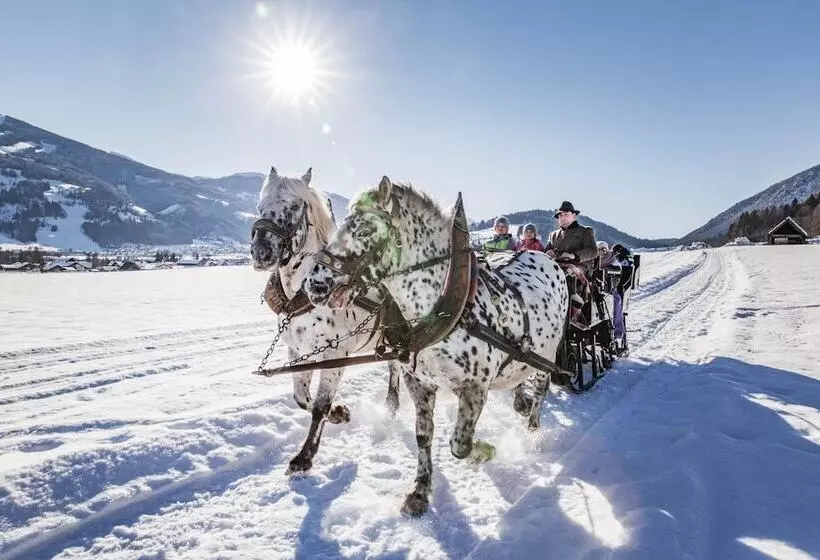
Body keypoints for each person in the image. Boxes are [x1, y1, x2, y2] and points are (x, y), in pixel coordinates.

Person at [545, 201, 598, 327]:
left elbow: (593, 251)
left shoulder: (585, 232)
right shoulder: (553, 235)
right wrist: (548, 253)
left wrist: (575, 256)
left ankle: (575, 310)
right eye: (560, 215)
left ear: (574, 215)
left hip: (579, 267)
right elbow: (546, 251)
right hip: (556, 266)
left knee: (567, 275)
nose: (562, 217)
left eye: (566, 214)